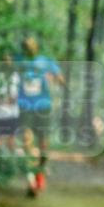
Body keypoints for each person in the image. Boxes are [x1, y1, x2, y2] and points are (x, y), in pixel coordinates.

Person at [17, 37, 64, 196]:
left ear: (37, 46)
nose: (29, 46)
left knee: (44, 144)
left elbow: (61, 80)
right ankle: (31, 181)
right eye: (26, 44)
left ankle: (40, 173)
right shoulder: (18, 60)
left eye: (31, 43)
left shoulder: (46, 61)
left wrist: (55, 79)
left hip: (43, 107)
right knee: (27, 141)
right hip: (24, 107)